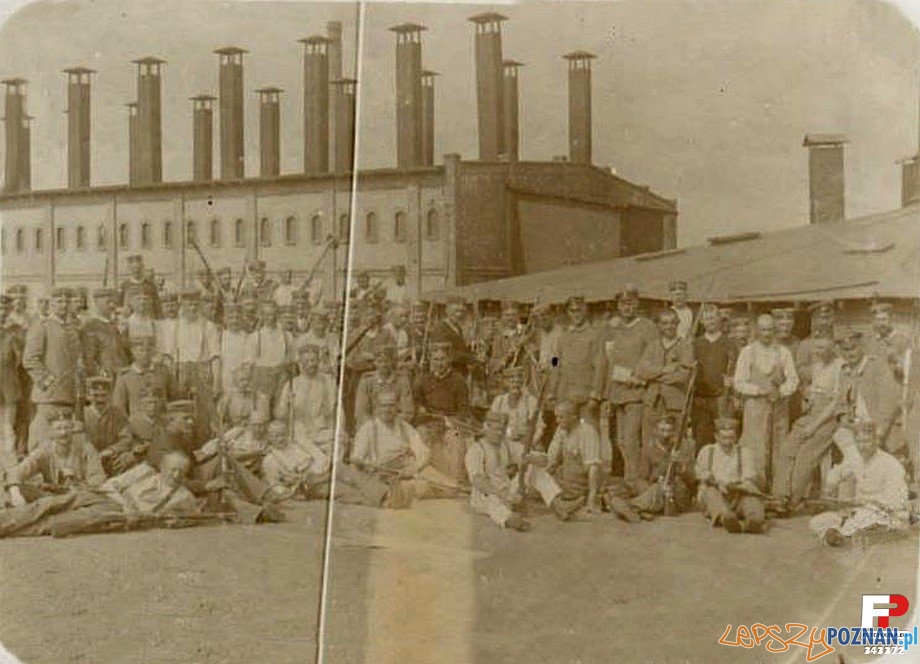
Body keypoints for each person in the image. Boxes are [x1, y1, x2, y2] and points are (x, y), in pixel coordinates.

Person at [465, 410, 583, 531]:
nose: (500, 433)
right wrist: (503, 494)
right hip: (486, 495)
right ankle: (511, 520)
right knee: (493, 503)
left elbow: (544, 461)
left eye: (502, 429)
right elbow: (477, 480)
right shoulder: (476, 450)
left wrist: (533, 458)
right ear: (486, 427)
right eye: (496, 429)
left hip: (508, 491)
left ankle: (558, 506)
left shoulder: (507, 445)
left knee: (533, 468)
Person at [346, 390, 460, 508]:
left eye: (391, 405)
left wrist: (413, 468)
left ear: (397, 406)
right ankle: (408, 490)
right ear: (377, 407)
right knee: (419, 488)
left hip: (408, 468)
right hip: (383, 474)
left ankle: (413, 488)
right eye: (383, 405)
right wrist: (359, 464)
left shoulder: (405, 427)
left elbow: (423, 452)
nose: (387, 409)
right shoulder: (368, 429)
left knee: (452, 488)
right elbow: (357, 458)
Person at [596, 286, 659, 491]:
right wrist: (606, 394)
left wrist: (637, 375)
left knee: (632, 438)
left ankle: (636, 480)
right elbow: (607, 361)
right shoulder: (613, 329)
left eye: (630, 303)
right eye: (623, 304)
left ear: (637, 304)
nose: (627, 307)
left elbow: (653, 355)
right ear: (618, 306)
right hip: (617, 393)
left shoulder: (647, 327)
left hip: (637, 392)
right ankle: (629, 478)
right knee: (620, 440)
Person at [809, 419, 910, 547]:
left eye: (867, 441)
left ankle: (845, 534)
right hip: (859, 510)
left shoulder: (891, 465)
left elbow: (897, 502)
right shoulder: (856, 458)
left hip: (884, 513)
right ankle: (838, 533)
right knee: (816, 522)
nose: (862, 446)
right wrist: (830, 487)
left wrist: (871, 503)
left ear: (876, 442)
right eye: (859, 442)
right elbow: (838, 472)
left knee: (864, 520)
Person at [772, 336, 844, 513]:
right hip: (811, 414)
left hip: (828, 419)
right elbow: (812, 395)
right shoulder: (818, 365)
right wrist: (806, 399)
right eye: (816, 348)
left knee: (805, 456)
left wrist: (814, 425)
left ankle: (792, 502)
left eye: (822, 348)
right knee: (787, 449)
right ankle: (779, 496)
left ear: (832, 348)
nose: (817, 352)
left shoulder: (840, 366)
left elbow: (835, 403)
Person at [733, 314, 799, 486]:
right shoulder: (747, 352)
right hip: (755, 407)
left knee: (779, 446)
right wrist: (758, 391)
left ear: (774, 330)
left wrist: (782, 392)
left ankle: (778, 488)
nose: (767, 333)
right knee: (755, 446)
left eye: (770, 329)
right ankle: (756, 486)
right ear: (757, 331)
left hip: (778, 406)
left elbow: (793, 379)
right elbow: (739, 382)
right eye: (763, 329)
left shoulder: (784, 352)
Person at [22, 286, 85, 451]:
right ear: (51, 304)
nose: (63, 305)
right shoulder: (42, 326)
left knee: (63, 444)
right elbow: (30, 359)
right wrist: (48, 381)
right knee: (41, 441)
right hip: (48, 397)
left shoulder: (72, 329)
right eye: (59, 301)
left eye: (67, 301)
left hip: (70, 396)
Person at [636, 308, 694, 479]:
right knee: (649, 443)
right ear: (659, 325)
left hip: (675, 404)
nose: (669, 326)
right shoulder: (652, 346)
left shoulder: (685, 346)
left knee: (675, 444)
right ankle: (648, 481)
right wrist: (665, 370)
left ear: (677, 324)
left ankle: (673, 481)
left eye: (672, 323)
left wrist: (655, 375)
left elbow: (683, 376)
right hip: (652, 402)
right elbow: (640, 371)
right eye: (664, 323)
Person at [4, 410, 106, 507]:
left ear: (73, 429)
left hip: (80, 497)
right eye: (59, 428)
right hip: (52, 497)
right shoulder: (44, 451)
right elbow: (18, 471)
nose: (63, 433)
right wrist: (15, 492)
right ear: (51, 432)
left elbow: (99, 477)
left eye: (67, 428)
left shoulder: (86, 448)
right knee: (21, 491)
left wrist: (77, 483)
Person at [695, 417, 765, 534]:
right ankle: (725, 518)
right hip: (716, 492)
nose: (727, 442)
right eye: (724, 438)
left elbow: (749, 478)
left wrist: (739, 486)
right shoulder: (707, 451)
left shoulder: (744, 452)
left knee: (752, 500)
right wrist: (716, 483)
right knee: (710, 493)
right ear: (716, 436)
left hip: (738, 494)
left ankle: (753, 521)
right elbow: (700, 474)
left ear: (736, 437)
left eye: (731, 438)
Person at [624, 415, 696, 521]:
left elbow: (692, 479)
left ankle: (632, 507)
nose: (665, 434)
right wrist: (658, 479)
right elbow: (642, 476)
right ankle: (639, 507)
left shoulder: (683, 447)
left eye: (669, 430)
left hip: (677, 493)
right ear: (655, 431)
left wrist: (680, 465)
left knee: (660, 492)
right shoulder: (648, 449)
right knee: (654, 489)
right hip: (656, 489)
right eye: (662, 430)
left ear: (674, 431)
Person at [275, 342, 337, 454]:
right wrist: (287, 406)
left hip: (321, 430)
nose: (310, 364)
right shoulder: (292, 384)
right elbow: (281, 415)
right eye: (306, 361)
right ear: (300, 363)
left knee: (338, 438)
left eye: (313, 360)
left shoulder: (327, 382)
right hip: (300, 432)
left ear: (318, 361)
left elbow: (333, 410)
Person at [549, 295, 604, 422]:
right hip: (565, 395)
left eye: (579, 310)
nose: (576, 314)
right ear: (568, 313)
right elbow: (555, 362)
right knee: (566, 434)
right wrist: (552, 390)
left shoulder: (594, 336)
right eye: (572, 311)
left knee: (588, 433)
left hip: (585, 395)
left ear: (585, 311)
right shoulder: (563, 337)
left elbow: (600, 366)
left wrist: (595, 395)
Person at [543, 400, 603, 515]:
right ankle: (566, 504)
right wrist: (544, 476)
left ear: (574, 417)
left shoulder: (588, 431)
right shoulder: (561, 430)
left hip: (583, 484)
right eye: (557, 417)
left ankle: (581, 501)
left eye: (561, 417)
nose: (557, 421)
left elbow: (593, 468)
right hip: (566, 482)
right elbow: (551, 460)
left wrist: (592, 497)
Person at [692, 304, 736, 451]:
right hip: (700, 398)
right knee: (701, 437)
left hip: (721, 398)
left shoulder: (730, 343)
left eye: (712, 318)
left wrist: (731, 381)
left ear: (719, 320)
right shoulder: (695, 344)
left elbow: (735, 369)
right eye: (706, 319)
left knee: (723, 436)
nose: (709, 322)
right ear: (702, 322)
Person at [260, 420, 330, 500]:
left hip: (312, 481)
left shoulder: (293, 448)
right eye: (276, 436)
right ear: (269, 438)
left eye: (283, 435)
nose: (281, 439)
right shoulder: (269, 460)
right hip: (294, 491)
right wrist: (291, 492)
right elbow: (274, 485)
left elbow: (308, 465)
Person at [354, 343, 414, 429]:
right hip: (371, 427)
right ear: (375, 362)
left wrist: (390, 426)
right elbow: (361, 412)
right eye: (379, 361)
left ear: (392, 362)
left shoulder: (402, 381)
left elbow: (408, 412)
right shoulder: (367, 381)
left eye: (386, 361)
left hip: (396, 426)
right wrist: (375, 426)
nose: (383, 365)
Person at [112, 336, 174, 418]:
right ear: (133, 352)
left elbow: (174, 401)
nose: (145, 354)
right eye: (141, 350)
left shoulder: (163, 373)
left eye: (148, 350)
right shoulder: (125, 377)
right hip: (137, 427)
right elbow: (119, 408)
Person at [246, 300, 294, 406]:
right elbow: (250, 363)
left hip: (282, 378)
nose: (270, 318)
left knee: (280, 413)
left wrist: (284, 366)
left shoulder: (287, 336)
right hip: (262, 379)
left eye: (273, 314)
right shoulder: (255, 337)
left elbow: (291, 359)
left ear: (277, 314)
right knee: (262, 413)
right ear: (261, 315)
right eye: (267, 315)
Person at [82, 287, 130, 379]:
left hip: (121, 374)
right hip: (105, 378)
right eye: (108, 302)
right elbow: (89, 358)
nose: (112, 306)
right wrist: (99, 375)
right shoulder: (90, 326)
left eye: (114, 303)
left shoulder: (114, 325)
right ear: (96, 302)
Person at [490, 366, 544, 445]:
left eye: (519, 382)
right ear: (506, 383)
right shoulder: (499, 401)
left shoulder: (530, 401)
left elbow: (540, 426)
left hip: (524, 443)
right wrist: (509, 433)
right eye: (512, 382)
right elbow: (492, 425)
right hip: (502, 443)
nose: (516, 385)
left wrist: (532, 443)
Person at [0, 295, 25, 464]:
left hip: (8, 387)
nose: (1, 312)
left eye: (4, 309)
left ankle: (9, 466)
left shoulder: (14, 332)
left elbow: (21, 360)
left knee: (8, 429)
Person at [216, 363, 271, 430]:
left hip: (252, 430)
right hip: (233, 430)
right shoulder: (228, 397)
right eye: (242, 380)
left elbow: (262, 418)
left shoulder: (257, 396)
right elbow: (219, 418)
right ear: (235, 382)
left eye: (248, 380)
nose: (245, 383)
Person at [866, 301, 910, 383]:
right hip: (873, 387)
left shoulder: (902, 340)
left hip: (894, 387)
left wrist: (897, 360)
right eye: (878, 320)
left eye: (884, 319)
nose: (881, 323)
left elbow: (908, 372)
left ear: (891, 320)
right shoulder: (871, 340)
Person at [82, 376, 128, 454]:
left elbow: (127, 439)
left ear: (110, 396)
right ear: (88, 396)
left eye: (104, 395)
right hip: (87, 459)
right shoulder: (82, 414)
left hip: (112, 458)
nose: (100, 399)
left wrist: (111, 450)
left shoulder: (118, 414)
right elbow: (76, 440)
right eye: (95, 395)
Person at [430, 296, 474, 376]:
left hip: (460, 372)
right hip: (447, 374)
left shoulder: (457, 328)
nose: (459, 315)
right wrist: (471, 359)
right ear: (447, 311)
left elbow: (460, 348)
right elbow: (448, 354)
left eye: (462, 311)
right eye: (456, 311)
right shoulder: (440, 328)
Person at [118, 254, 161, 318]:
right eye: (133, 268)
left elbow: (156, 305)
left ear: (142, 268)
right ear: (129, 269)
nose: (136, 271)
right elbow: (120, 304)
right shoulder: (124, 285)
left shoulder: (150, 285)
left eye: (139, 268)